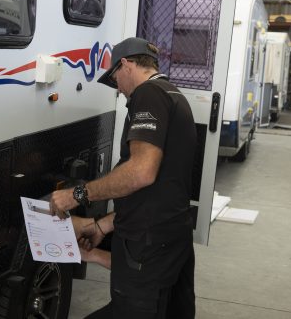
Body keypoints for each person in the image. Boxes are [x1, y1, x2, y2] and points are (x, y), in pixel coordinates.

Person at [51, 37, 197, 318]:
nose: (117, 89)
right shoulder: (174, 95)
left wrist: (76, 195)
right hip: (170, 239)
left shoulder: (149, 94)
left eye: (114, 77)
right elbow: (154, 196)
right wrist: (100, 227)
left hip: (151, 243)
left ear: (127, 65)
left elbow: (141, 172)